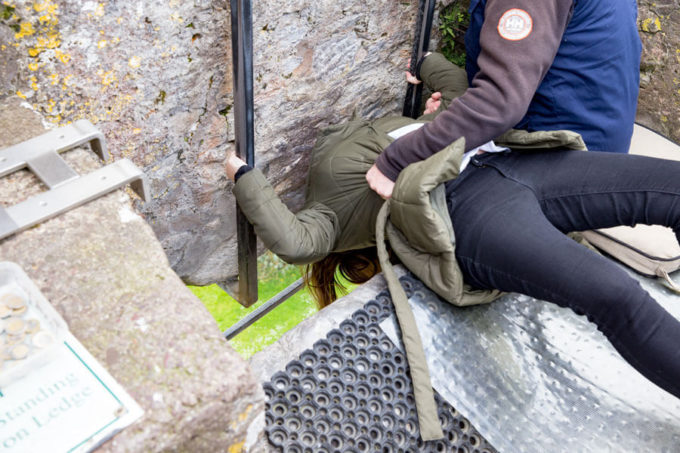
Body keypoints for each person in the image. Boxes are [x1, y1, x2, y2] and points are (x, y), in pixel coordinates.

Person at [227, 0, 680, 440]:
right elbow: (299, 243)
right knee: (613, 294)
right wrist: (245, 176)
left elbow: (489, 99)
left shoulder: (356, 168)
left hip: (511, 161)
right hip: (471, 208)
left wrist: (248, 175)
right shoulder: (336, 204)